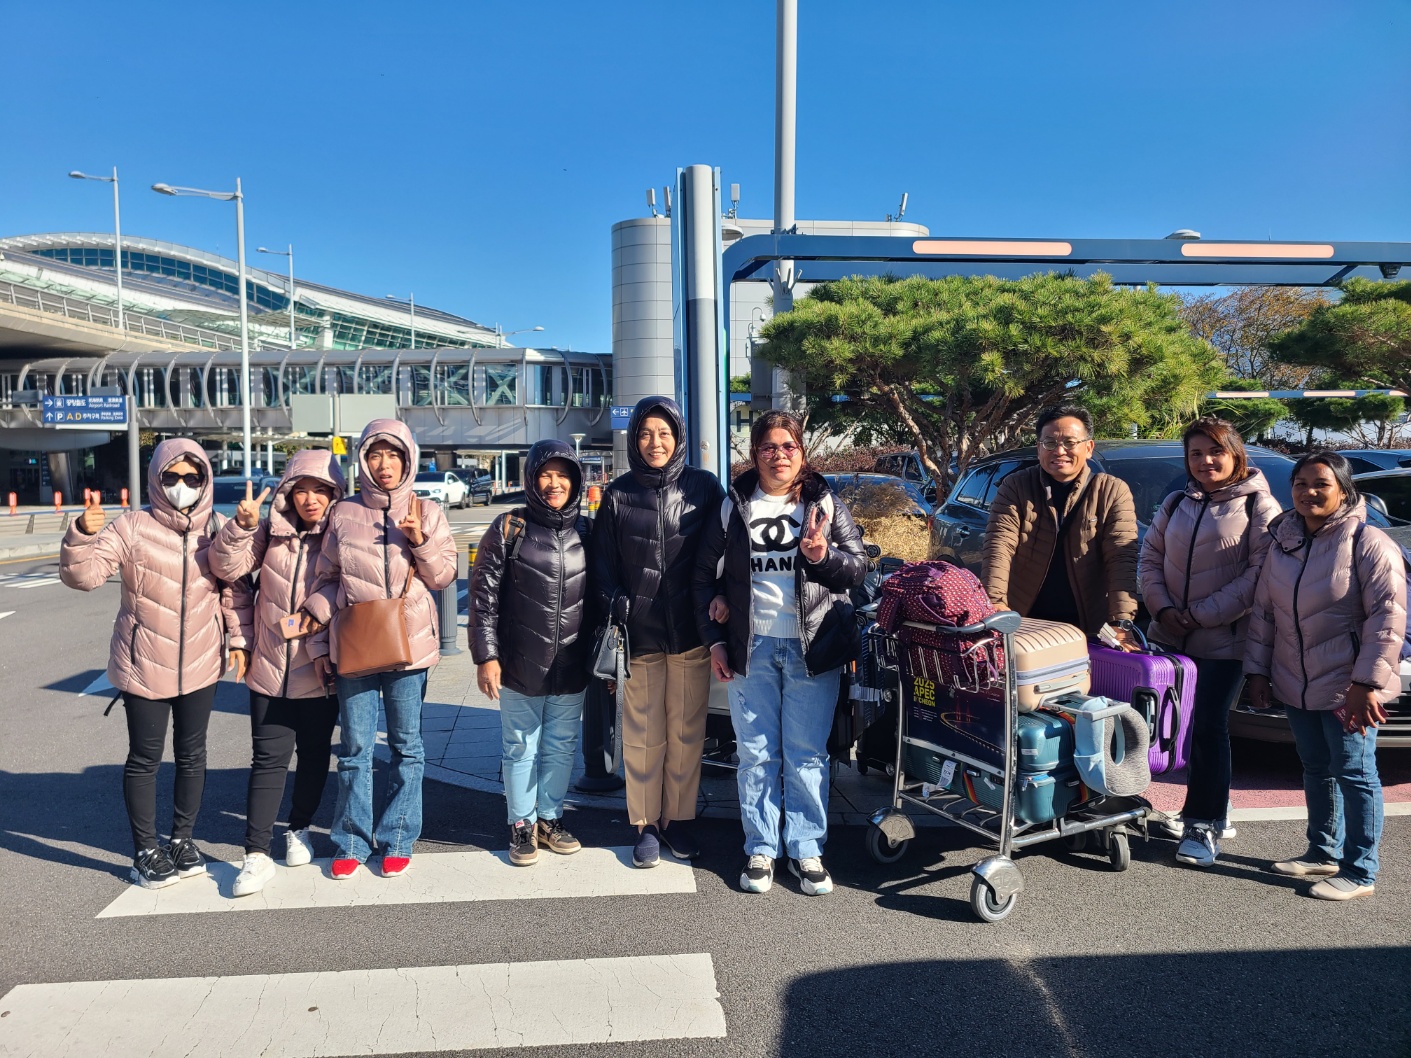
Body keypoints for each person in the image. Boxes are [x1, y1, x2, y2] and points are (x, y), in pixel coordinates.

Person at [60, 439, 248, 889]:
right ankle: (145, 849)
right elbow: (84, 577)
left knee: (192, 754)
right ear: (156, 479)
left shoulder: (216, 526)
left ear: (205, 480)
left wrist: (238, 640)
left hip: (202, 660)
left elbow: (233, 590)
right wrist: (81, 534)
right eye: (172, 476)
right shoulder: (132, 527)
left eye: (192, 477)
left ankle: (182, 840)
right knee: (145, 758)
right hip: (143, 662)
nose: (182, 485)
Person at [694, 410, 867, 895]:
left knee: (807, 754)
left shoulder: (824, 502)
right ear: (755, 453)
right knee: (756, 755)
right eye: (769, 447)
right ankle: (761, 848)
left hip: (813, 647)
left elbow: (858, 569)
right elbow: (703, 577)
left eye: (788, 446)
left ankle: (806, 848)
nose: (779, 455)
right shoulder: (734, 506)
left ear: (802, 452)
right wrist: (715, 638)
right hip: (751, 647)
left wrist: (822, 556)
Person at [1245, 451, 1405, 901]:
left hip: (1346, 685)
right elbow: (1265, 613)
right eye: (1300, 483)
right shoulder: (1283, 542)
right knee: (1316, 767)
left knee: (1355, 772)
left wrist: (1367, 684)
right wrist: (1258, 671)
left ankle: (1360, 871)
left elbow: (1388, 619)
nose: (1309, 492)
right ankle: (1323, 850)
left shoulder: (1368, 542)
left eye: (1321, 484)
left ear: (1344, 490)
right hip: (1295, 680)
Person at [302, 419, 457, 881]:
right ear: (363, 461)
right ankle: (350, 840)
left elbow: (443, 576)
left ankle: (398, 837)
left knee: (407, 747)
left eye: (392, 455)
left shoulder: (427, 511)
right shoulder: (344, 513)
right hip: (355, 643)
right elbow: (327, 580)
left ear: (407, 459)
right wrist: (316, 640)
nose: (383, 464)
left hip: (410, 646)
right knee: (354, 748)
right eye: (375, 455)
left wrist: (419, 541)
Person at [1140, 417, 1282, 867]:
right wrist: (1163, 609)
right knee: (1171, 728)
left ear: (1235, 453)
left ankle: (1205, 823)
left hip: (1227, 641)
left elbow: (1260, 575)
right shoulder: (1176, 501)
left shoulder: (1259, 504)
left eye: (1215, 451)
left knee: (1207, 727)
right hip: (1170, 636)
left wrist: (1199, 616)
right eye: (1196, 454)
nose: (1205, 461)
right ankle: (1204, 804)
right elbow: (1150, 557)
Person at [590, 396, 725, 867]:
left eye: (664, 433)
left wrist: (720, 599)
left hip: (691, 631)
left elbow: (725, 550)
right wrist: (617, 603)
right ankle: (646, 823)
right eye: (646, 434)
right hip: (640, 634)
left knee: (687, 733)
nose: (655, 442)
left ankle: (677, 820)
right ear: (634, 440)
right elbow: (602, 565)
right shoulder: (618, 494)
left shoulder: (704, 488)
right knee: (643, 734)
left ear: (678, 437)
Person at [209, 450, 346, 896]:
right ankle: (255, 853)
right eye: (300, 489)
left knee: (313, 755)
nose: (310, 499)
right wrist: (241, 526)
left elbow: (350, 584)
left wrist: (317, 609)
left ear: (334, 494)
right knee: (267, 760)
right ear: (287, 494)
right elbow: (227, 570)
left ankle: (300, 829)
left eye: (321, 490)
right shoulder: (269, 533)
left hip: (320, 667)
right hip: (269, 668)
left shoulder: (341, 536)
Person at [470, 440, 590, 866]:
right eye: (545, 474)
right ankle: (521, 823)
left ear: (575, 481)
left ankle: (549, 818)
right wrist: (486, 657)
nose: (554, 483)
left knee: (562, 745)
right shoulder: (510, 527)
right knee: (521, 746)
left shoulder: (587, 530)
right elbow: (483, 598)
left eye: (563, 475)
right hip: (519, 661)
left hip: (571, 663)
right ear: (531, 479)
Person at [982, 403, 1139, 643]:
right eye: (1050, 443)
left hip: (1088, 626)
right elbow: (999, 546)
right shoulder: (1016, 486)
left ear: (1089, 447)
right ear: (1039, 448)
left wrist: (1121, 621)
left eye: (1069, 442)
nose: (1059, 451)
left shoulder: (1112, 490)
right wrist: (995, 603)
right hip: (1026, 622)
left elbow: (1120, 558)